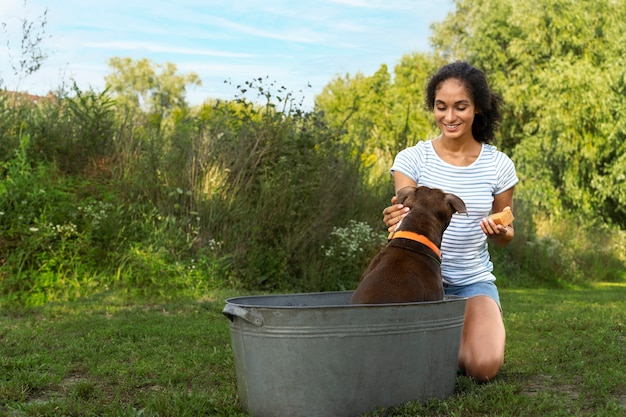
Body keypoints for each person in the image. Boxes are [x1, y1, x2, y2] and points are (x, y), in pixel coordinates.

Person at [382, 61, 518, 382]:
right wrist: (394, 218)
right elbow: (404, 207)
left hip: (472, 281)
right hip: (415, 276)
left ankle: (451, 342)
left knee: (483, 367)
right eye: (441, 107)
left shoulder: (498, 165)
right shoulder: (412, 158)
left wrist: (501, 230)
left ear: (478, 109)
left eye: (461, 107)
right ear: (433, 108)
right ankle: (440, 343)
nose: (450, 116)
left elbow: (507, 232)